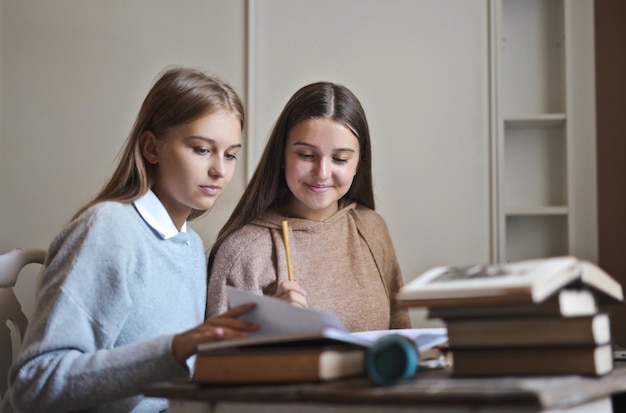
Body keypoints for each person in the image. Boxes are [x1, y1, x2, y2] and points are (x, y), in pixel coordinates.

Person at [2, 67, 258, 413]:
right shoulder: (108, 231)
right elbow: (34, 386)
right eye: (201, 149)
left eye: (230, 154)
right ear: (151, 148)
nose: (220, 170)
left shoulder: (191, 246)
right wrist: (175, 350)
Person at [207, 81, 411, 332]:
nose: (322, 173)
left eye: (340, 159)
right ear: (281, 155)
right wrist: (269, 329)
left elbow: (403, 337)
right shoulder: (242, 253)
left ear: (358, 163)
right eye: (306, 155)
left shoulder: (372, 229)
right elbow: (219, 365)